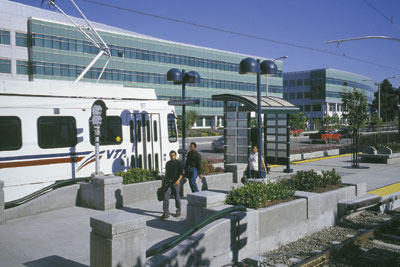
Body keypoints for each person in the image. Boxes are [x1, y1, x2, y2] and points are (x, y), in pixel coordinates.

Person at [161, 150, 183, 219]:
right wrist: (163, 183)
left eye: (173, 155)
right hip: (168, 182)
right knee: (166, 197)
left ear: (175, 155)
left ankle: (178, 211)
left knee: (177, 197)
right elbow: (166, 174)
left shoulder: (179, 163)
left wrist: (178, 180)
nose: (172, 157)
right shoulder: (168, 163)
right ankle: (166, 213)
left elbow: (181, 173)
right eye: (171, 156)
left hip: (176, 182)